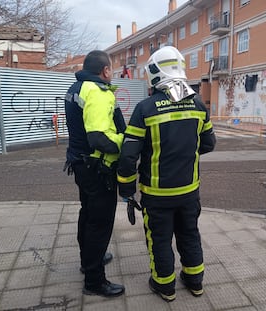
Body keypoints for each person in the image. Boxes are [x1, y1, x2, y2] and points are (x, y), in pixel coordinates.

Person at [117, 46, 216, 302]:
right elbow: (208, 144)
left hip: (157, 195)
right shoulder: (198, 104)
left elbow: (129, 156)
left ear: (154, 73)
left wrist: (126, 190)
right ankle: (195, 282)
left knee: (160, 240)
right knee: (190, 234)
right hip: (189, 190)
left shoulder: (145, 108)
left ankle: (165, 286)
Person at [64, 50, 126, 298]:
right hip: (98, 168)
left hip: (80, 164)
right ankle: (94, 280)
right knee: (99, 224)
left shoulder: (76, 88)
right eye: (111, 69)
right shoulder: (98, 92)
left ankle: (89, 259)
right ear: (105, 70)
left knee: (87, 214)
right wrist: (126, 141)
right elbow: (99, 138)